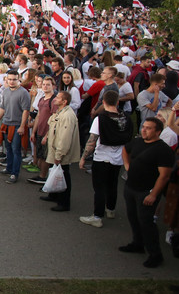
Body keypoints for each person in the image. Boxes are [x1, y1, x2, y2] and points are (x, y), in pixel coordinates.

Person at [119, 117, 175, 268]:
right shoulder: (138, 142)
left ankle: (155, 254)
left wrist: (153, 194)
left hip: (146, 192)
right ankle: (137, 244)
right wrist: (127, 165)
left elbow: (164, 176)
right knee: (133, 218)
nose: (144, 130)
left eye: (149, 128)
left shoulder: (163, 150)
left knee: (146, 223)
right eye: (143, 127)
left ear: (158, 132)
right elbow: (125, 149)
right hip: (130, 188)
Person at [77, 91, 134, 227]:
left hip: (102, 157)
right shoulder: (126, 117)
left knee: (99, 187)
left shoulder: (100, 119)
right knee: (112, 184)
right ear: (117, 102)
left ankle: (97, 216)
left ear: (103, 102)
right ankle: (111, 209)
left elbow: (92, 140)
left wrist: (83, 157)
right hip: (119, 157)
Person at [43, 91, 80, 211]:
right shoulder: (60, 112)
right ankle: (54, 195)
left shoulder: (67, 116)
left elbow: (65, 138)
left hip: (61, 151)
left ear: (64, 101)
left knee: (63, 174)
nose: (55, 99)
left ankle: (64, 203)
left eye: (58, 98)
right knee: (55, 171)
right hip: (55, 148)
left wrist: (59, 154)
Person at [0, 70, 31, 184]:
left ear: (19, 79)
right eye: (9, 79)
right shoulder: (5, 91)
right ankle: (8, 168)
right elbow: (3, 108)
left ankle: (15, 173)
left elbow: (26, 111)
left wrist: (22, 126)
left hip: (17, 125)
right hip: (6, 123)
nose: (12, 81)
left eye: (14, 79)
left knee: (16, 150)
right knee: (8, 148)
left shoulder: (23, 93)